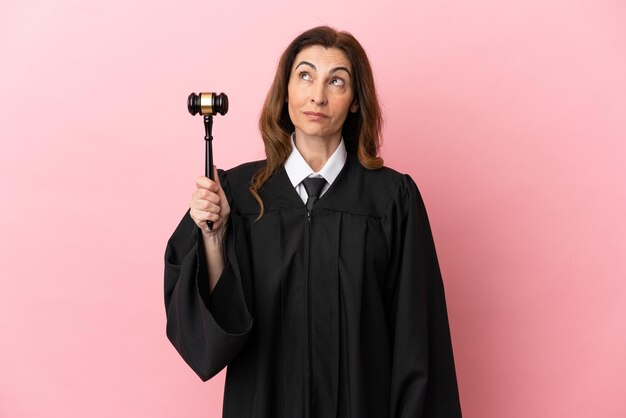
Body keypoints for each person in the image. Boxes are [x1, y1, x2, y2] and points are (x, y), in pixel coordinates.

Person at [164, 26, 462, 418]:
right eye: (305, 75)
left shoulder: (391, 199)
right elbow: (212, 334)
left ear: (356, 101)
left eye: (336, 81)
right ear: (285, 89)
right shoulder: (237, 194)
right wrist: (215, 238)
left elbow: (416, 339)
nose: (317, 95)